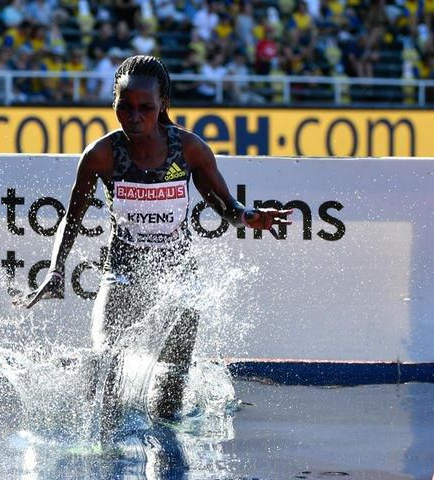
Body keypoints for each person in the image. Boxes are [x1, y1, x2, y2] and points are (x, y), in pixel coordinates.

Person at [16, 55, 291, 440]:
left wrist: (248, 217)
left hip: (176, 276)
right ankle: (104, 452)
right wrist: (55, 269)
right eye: (124, 107)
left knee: (169, 393)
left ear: (162, 104)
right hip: (122, 271)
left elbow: (227, 207)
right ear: (113, 103)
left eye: (145, 108)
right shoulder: (102, 155)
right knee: (104, 363)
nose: (134, 116)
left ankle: (168, 450)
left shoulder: (189, 150)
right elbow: (71, 218)